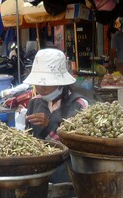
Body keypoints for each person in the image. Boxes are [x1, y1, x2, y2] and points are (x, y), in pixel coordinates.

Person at [24, 48, 89, 182]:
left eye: (47, 82)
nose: (41, 87)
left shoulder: (79, 104)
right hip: (37, 174)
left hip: (66, 174)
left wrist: (49, 126)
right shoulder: (34, 103)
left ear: (60, 81)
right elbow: (27, 139)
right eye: (39, 82)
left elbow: (78, 146)